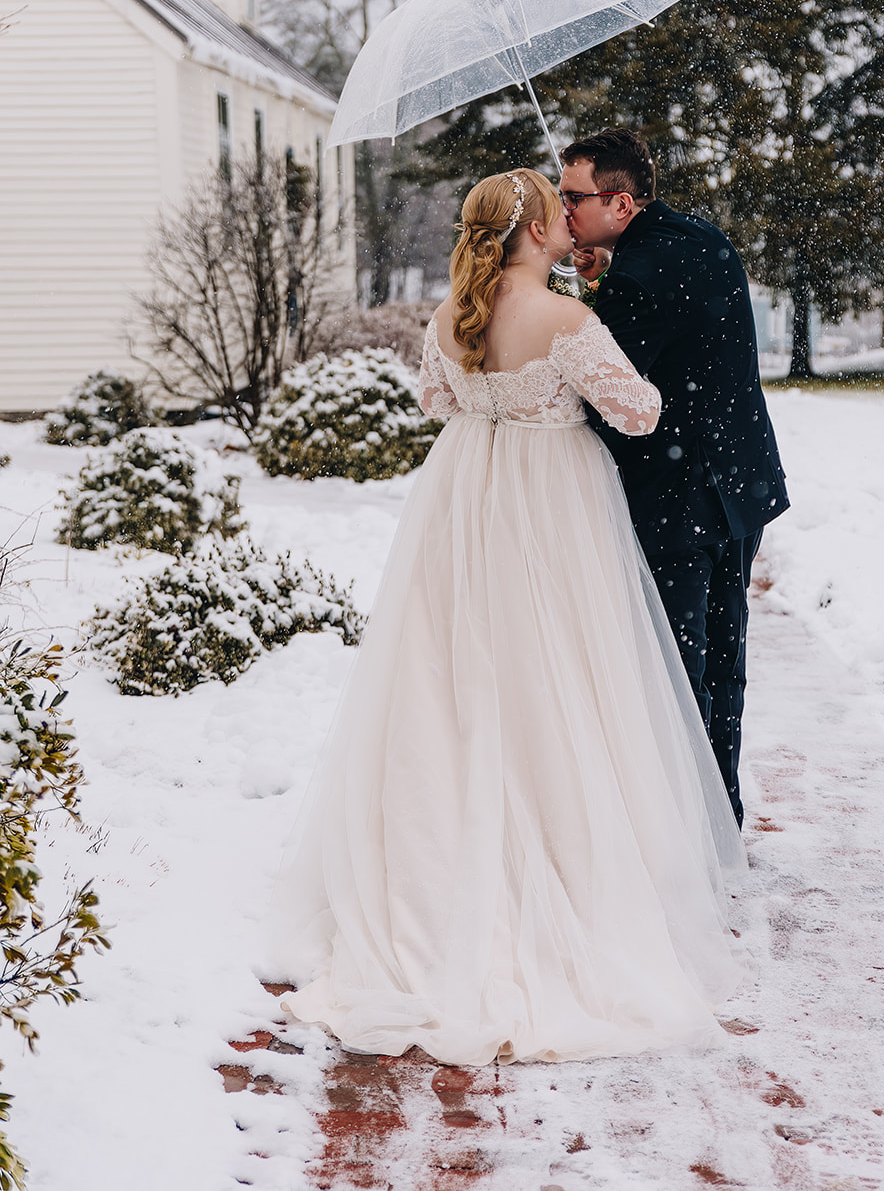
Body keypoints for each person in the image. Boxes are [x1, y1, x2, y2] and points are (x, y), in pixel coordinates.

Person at [272, 167, 745, 1067]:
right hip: (551, 503)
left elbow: (436, 402)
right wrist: (588, 340)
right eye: (555, 211)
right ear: (533, 230)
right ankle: (563, 868)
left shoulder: (448, 317)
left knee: (464, 670)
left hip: (467, 498)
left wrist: (502, 394)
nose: (570, 221)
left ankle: (451, 855)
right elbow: (638, 414)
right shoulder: (565, 319)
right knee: (556, 669)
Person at [561, 130, 789, 828]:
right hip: (739, 484)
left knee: (673, 671)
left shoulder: (636, 278)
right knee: (722, 657)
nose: (562, 210)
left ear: (619, 203)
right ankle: (721, 816)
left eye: (573, 197)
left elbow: (609, 394)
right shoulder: (701, 239)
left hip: (676, 498)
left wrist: (590, 299)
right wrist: (604, 278)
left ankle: (690, 830)